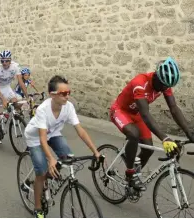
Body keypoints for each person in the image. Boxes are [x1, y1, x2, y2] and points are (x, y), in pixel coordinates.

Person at [110, 57, 194, 191]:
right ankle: (130, 173)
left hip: (136, 114)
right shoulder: (140, 83)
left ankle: (135, 174)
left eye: (167, 86)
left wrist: (189, 133)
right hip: (120, 111)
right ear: (156, 76)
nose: (164, 88)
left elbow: (173, 108)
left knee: (148, 148)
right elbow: (145, 114)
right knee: (134, 134)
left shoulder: (165, 85)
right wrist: (165, 138)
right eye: (163, 85)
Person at [24, 75, 100, 218]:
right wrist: (51, 158)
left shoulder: (68, 107)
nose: (67, 97)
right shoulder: (43, 110)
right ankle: (38, 206)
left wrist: (95, 151)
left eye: (69, 93)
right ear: (52, 95)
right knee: (41, 172)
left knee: (68, 157)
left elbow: (80, 131)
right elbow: (42, 138)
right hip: (35, 138)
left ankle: (47, 177)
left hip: (53, 134)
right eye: (63, 94)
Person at [0, 50, 28, 144]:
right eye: (2, 61)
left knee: (16, 103)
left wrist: (27, 97)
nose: (4, 63)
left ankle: (4, 116)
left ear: (10, 60)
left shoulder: (15, 66)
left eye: (7, 61)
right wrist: (3, 100)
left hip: (7, 88)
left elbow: (21, 82)